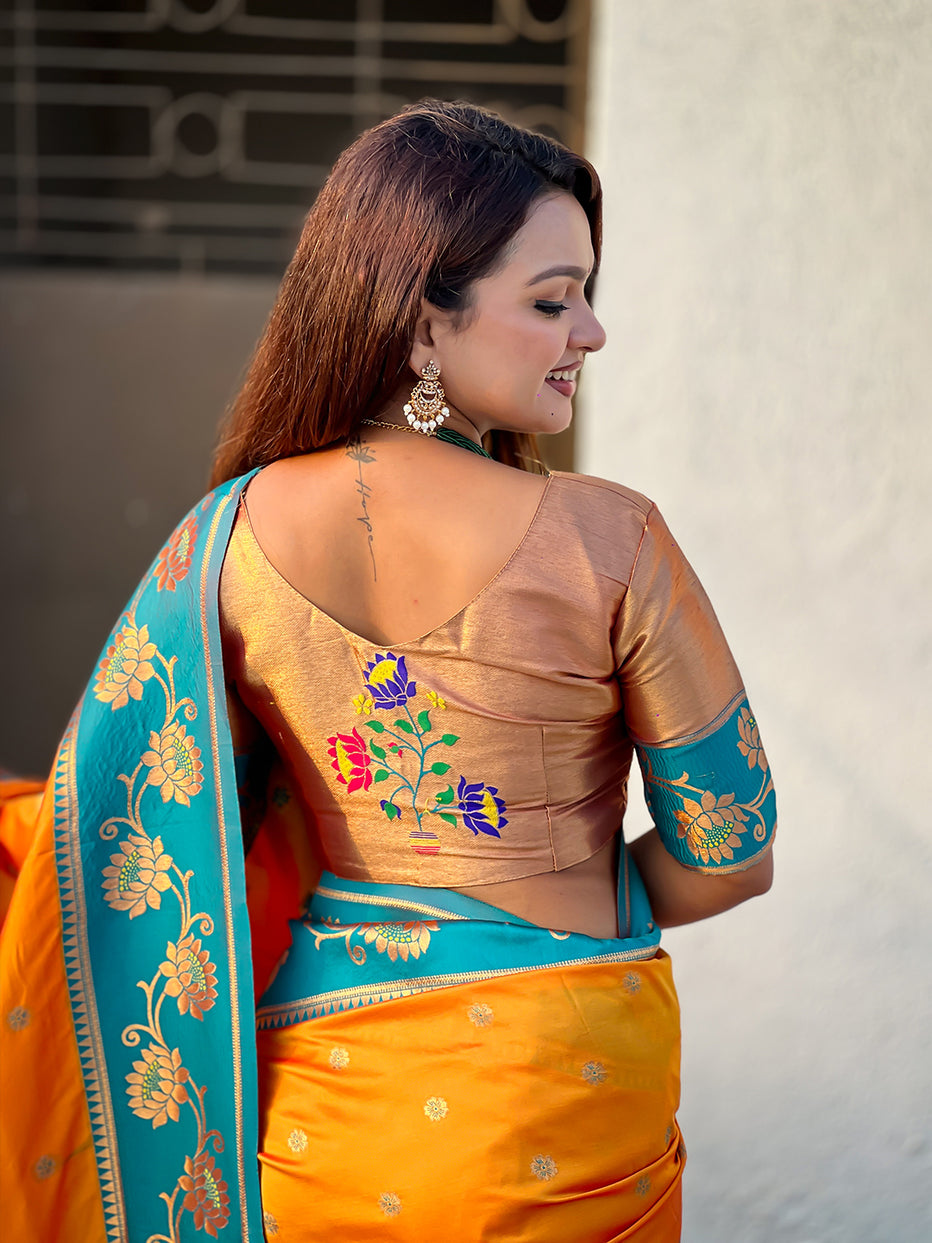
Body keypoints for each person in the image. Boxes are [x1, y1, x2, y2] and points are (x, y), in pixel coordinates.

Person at [0, 101, 775, 1242]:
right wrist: (550, 905)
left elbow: (129, 823)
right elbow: (729, 860)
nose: (591, 333)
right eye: (553, 300)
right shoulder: (611, 538)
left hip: (324, 1089)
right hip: (559, 1087)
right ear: (422, 325)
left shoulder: (223, 541)